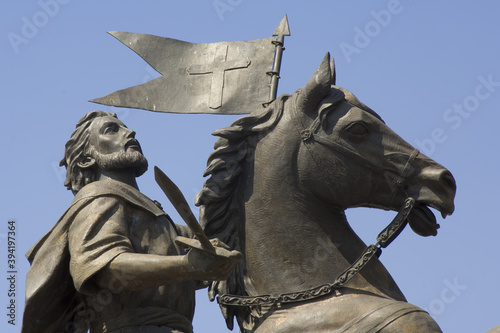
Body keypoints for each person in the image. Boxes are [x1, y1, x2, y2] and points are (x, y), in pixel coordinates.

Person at [22, 111, 241, 333]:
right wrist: (187, 265)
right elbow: (107, 269)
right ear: (88, 157)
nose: (130, 132)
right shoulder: (100, 198)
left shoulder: (149, 213)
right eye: (112, 130)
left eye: (125, 127)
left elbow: (174, 266)